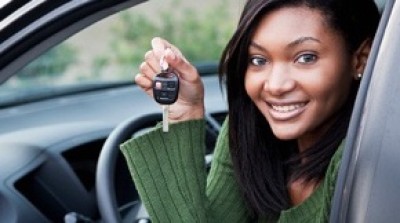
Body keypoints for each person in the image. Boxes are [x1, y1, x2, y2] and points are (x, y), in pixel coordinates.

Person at [120, 0, 380, 222]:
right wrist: (183, 115)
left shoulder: (363, 156)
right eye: (259, 60)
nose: (276, 85)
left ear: (360, 59)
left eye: (306, 57)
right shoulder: (250, 133)